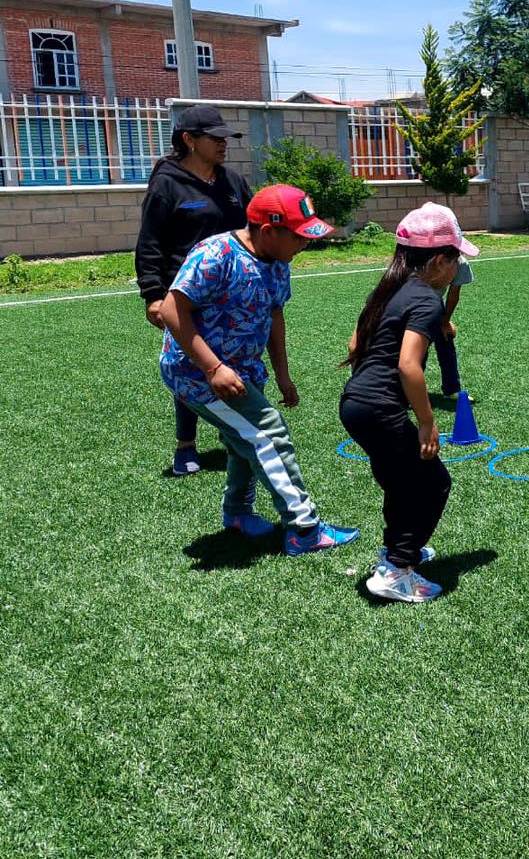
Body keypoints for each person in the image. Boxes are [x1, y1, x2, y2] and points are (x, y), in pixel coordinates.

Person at [158, 184, 360, 555]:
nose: (305, 244)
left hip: (243, 370)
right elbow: (171, 310)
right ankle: (304, 528)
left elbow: (274, 314)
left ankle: (237, 513)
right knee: (268, 433)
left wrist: (283, 375)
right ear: (269, 231)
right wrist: (213, 368)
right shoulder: (216, 254)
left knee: (244, 440)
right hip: (195, 372)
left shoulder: (278, 262)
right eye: (300, 236)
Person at [340, 202, 479, 602]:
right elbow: (408, 366)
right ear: (438, 260)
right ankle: (396, 570)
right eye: (455, 258)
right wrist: (426, 420)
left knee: (400, 483)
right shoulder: (426, 300)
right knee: (434, 484)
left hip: (355, 404)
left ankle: (398, 551)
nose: (457, 269)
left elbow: (354, 345)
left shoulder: (387, 289)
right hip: (381, 408)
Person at [136, 104, 253, 476]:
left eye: (225, 137)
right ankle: (185, 445)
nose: (223, 144)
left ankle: (235, 431)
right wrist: (153, 295)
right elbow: (150, 242)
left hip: (234, 295)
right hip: (186, 296)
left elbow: (253, 231)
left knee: (237, 360)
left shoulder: (233, 182)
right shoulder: (166, 183)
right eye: (214, 138)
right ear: (188, 140)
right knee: (191, 365)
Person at [431, 259, 474, 401]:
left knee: (446, 339)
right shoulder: (421, 256)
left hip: (433, 303)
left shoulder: (461, 263)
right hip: (409, 301)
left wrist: (445, 322)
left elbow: (454, 293)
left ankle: (452, 389)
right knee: (416, 350)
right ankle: (404, 393)